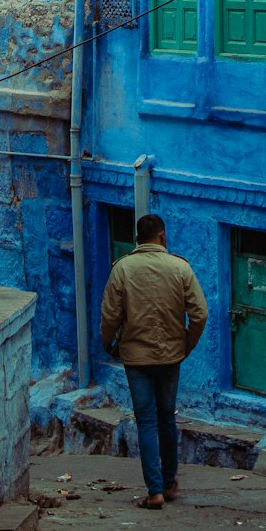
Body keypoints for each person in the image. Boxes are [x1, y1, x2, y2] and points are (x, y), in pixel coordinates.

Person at [100, 213, 208, 510]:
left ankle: (154, 491)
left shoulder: (122, 269)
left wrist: (108, 342)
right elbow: (200, 314)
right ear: (162, 237)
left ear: (138, 239)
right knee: (166, 417)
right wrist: (186, 344)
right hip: (171, 356)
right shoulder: (180, 268)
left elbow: (110, 315)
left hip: (136, 357)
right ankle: (170, 482)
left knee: (146, 420)